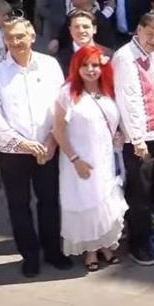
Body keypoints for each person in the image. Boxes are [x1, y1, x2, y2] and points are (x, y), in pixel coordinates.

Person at [0, 17, 72, 277]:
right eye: (10, 38)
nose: (16, 42)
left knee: (49, 201)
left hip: (47, 147)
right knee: (18, 204)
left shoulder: (49, 64)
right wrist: (21, 142)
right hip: (13, 150)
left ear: (32, 36)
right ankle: (30, 255)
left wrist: (53, 140)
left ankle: (52, 251)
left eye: (21, 36)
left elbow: (60, 104)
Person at [50, 45, 127, 272]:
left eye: (95, 65)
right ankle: (90, 250)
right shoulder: (66, 94)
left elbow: (112, 124)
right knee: (85, 202)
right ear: (76, 67)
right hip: (79, 160)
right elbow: (58, 130)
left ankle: (105, 245)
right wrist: (75, 159)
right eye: (85, 65)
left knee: (105, 200)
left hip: (106, 158)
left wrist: (118, 136)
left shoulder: (108, 91)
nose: (91, 70)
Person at [112, 13, 154, 266]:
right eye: (150, 32)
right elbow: (128, 99)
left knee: (151, 189)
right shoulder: (126, 57)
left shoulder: (150, 55)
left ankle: (149, 237)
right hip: (141, 140)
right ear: (138, 29)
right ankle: (137, 245)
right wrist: (137, 138)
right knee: (139, 193)